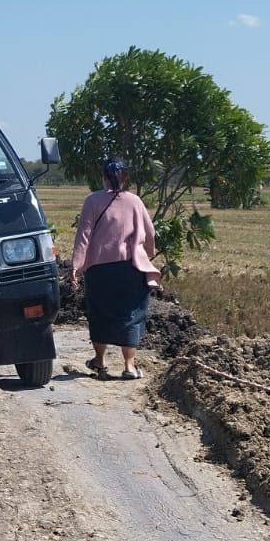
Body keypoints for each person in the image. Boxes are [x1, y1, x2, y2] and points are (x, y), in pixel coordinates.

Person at [70, 157, 160, 380]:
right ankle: (129, 367)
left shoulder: (92, 201)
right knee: (131, 315)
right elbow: (150, 234)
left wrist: (76, 266)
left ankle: (99, 362)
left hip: (99, 269)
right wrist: (146, 255)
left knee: (100, 314)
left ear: (103, 178)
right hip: (131, 267)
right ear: (124, 177)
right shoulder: (135, 201)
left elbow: (83, 236)